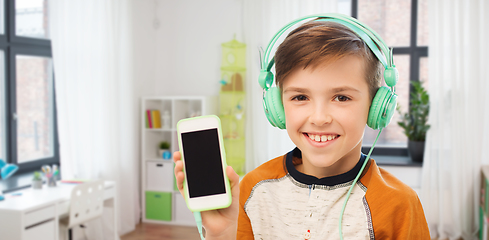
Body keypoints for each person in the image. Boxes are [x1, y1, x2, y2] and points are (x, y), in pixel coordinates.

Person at [174, 14, 430, 239]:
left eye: (341, 97)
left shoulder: (400, 205)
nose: (319, 118)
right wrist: (222, 235)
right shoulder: (254, 189)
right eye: (300, 97)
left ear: (377, 108)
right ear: (277, 106)